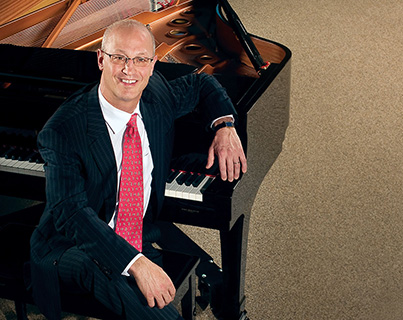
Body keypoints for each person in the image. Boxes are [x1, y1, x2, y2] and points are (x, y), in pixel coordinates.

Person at [29, 19, 247, 320]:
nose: (129, 70)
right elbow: (71, 214)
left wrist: (225, 125)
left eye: (140, 59)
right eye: (119, 57)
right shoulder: (64, 129)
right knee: (105, 271)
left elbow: (201, 83)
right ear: (101, 59)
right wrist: (136, 263)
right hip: (70, 245)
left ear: (153, 64)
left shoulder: (157, 97)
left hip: (137, 233)